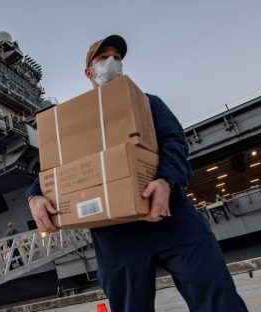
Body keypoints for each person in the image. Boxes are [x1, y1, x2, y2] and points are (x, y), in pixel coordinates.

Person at [25, 35, 247, 312]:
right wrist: (35, 195)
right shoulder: (77, 118)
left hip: (171, 217)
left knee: (218, 298)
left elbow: (175, 143)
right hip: (115, 234)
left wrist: (166, 180)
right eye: (104, 58)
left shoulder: (147, 103)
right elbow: (57, 166)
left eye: (117, 58)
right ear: (89, 72)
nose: (112, 63)